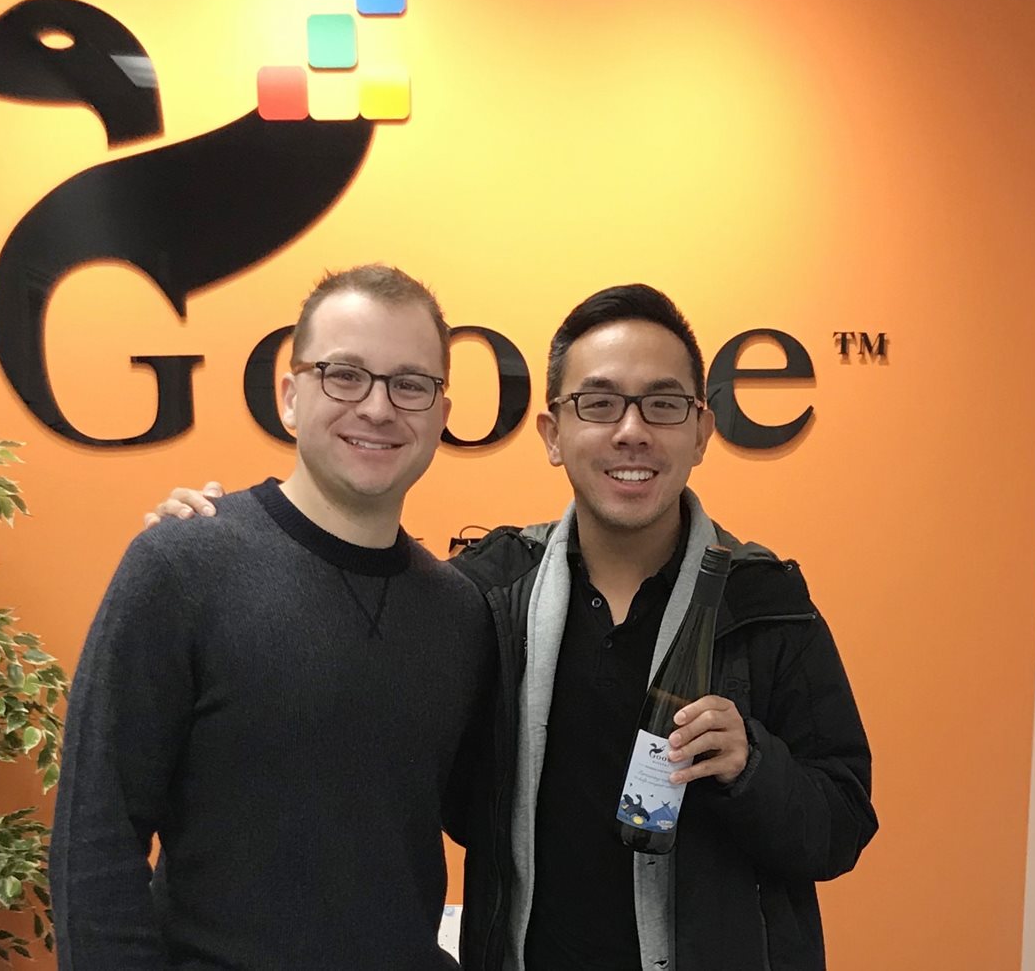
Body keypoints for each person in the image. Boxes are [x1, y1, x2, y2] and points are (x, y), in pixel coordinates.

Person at [148, 284, 878, 971]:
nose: (631, 431)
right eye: (599, 403)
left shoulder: (765, 604)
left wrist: (753, 768)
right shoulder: (487, 594)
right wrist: (225, 539)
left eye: (662, 405)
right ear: (553, 434)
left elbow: (840, 825)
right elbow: (353, 672)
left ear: (701, 432)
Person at [52, 264, 493, 971]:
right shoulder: (182, 566)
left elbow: (483, 816)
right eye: (344, 374)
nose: (378, 408)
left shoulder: (458, 611)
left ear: (440, 415)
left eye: (410, 384)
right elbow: (96, 839)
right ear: (291, 396)